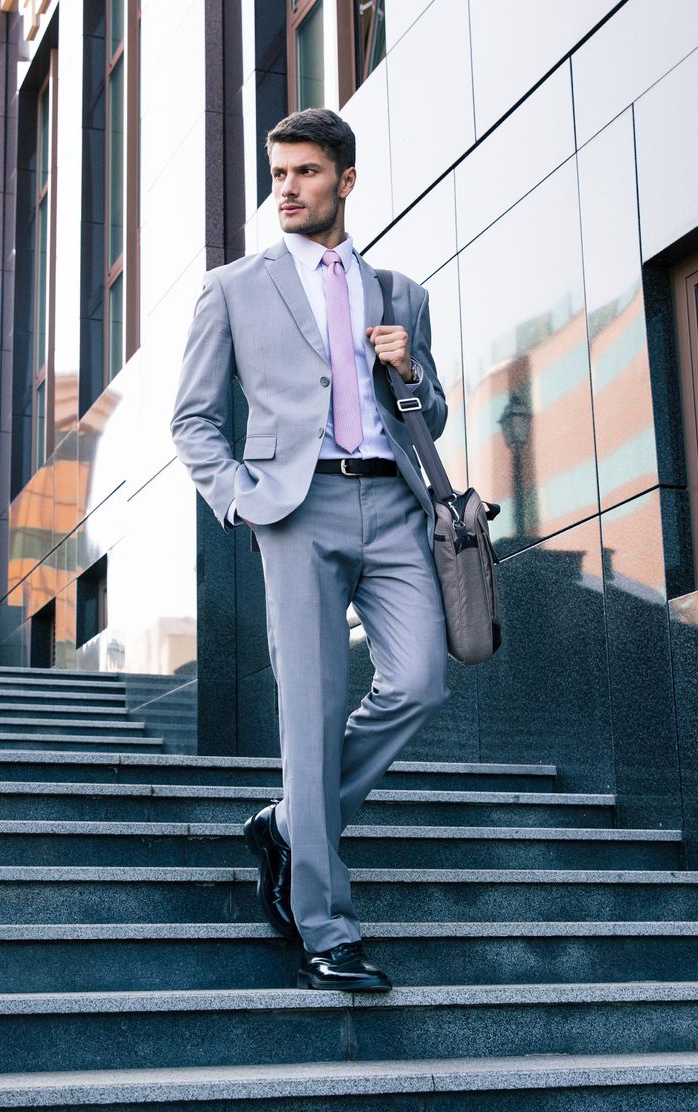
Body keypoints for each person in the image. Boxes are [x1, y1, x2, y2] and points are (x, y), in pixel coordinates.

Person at [170, 108, 451, 992]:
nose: (285, 189)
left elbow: (432, 414)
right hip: (296, 509)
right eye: (277, 173)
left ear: (346, 181)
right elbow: (193, 419)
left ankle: (293, 821)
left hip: (395, 501)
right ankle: (326, 925)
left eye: (303, 173)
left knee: (420, 680)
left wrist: (409, 371)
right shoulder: (234, 289)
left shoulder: (401, 292)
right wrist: (243, 502)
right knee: (312, 711)